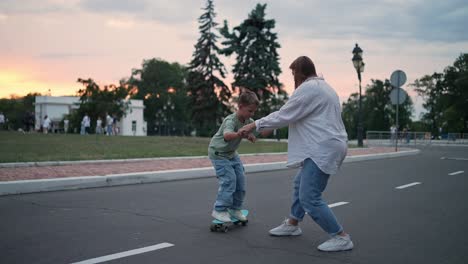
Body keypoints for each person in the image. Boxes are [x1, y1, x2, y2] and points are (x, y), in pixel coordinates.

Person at [239, 56, 354, 252]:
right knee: (300, 184)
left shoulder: (309, 88)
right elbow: (296, 116)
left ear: (299, 73)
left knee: (310, 196)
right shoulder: (324, 88)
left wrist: (254, 124)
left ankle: (340, 236)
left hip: (323, 148)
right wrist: (266, 127)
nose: (293, 77)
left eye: (293, 73)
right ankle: (293, 223)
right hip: (327, 145)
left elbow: (285, 113)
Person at [209, 89, 271, 223]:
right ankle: (219, 210)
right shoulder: (230, 120)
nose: (252, 114)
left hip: (231, 154)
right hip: (219, 153)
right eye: (250, 110)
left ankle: (235, 209)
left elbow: (259, 132)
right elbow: (226, 135)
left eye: (253, 111)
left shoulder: (248, 120)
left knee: (241, 180)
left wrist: (251, 136)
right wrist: (239, 134)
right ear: (241, 107)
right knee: (229, 180)